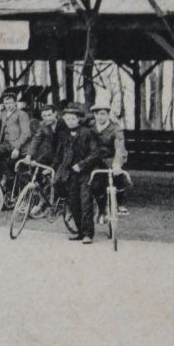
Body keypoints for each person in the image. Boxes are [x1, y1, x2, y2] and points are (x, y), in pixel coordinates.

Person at [52, 102, 101, 245]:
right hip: (70, 174)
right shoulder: (63, 135)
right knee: (73, 202)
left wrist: (81, 165)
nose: (70, 121)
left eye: (73, 119)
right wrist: (52, 169)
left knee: (85, 201)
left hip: (85, 172)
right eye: (67, 119)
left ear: (79, 119)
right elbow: (59, 155)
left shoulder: (87, 133)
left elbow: (95, 153)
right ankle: (80, 231)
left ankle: (88, 234)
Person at [86, 99, 130, 221]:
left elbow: (119, 147)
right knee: (95, 184)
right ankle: (102, 210)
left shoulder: (115, 129)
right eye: (97, 114)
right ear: (93, 115)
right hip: (98, 159)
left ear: (108, 114)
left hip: (114, 156)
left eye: (103, 114)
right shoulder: (90, 127)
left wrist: (116, 164)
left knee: (118, 176)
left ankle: (121, 203)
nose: (100, 117)